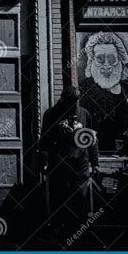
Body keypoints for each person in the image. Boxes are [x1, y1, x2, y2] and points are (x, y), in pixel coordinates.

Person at [40, 86, 99, 241]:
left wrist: (95, 162)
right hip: (58, 163)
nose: (73, 105)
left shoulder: (84, 114)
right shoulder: (51, 114)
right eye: (70, 102)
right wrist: (44, 162)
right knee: (58, 197)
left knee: (79, 197)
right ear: (63, 100)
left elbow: (92, 140)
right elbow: (44, 141)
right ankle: (57, 230)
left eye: (75, 102)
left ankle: (76, 231)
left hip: (80, 164)